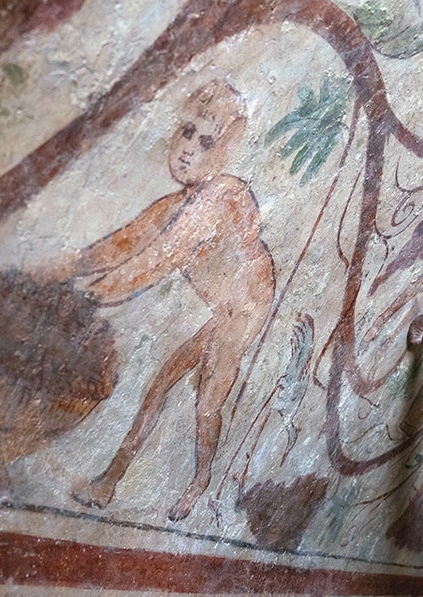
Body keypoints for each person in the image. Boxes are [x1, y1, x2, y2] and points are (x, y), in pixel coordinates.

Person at [60, 80, 276, 522]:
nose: (187, 149)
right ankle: (110, 480)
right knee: (160, 386)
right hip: (225, 308)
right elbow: (121, 245)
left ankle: (198, 484)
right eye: (187, 132)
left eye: (206, 141)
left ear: (223, 152)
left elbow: (157, 260)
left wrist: (91, 294)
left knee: (206, 405)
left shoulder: (221, 195)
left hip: (243, 312)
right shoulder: (179, 202)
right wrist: (59, 271)